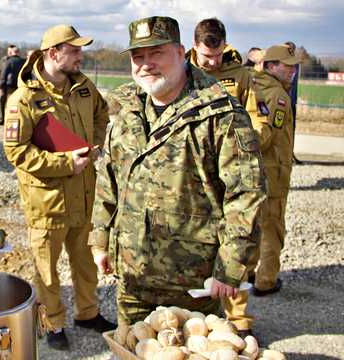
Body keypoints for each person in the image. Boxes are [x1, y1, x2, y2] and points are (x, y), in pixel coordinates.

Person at [89, 16, 266, 333]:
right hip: (131, 277)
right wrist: (101, 241)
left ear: (182, 52)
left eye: (156, 53)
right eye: (137, 56)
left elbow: (246, 195)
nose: (146, 65)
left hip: (191, 284)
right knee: (133, 348)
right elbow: (109, 180)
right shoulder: (128, 109)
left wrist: (231, 266)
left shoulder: (221, 113)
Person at [3, 24, 114, 351]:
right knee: (47, 272)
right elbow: (16, 151)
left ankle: (88, 313)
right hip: (47, 201)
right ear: (54, 53)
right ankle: (53, 324)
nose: (81, 56)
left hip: (83, 195)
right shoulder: (24, 98)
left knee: (85, 263)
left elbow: (101, 114)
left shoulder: (83, 87)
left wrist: (92, 143)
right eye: (75, 50)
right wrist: (66, 164)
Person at [187, 17, 259, 335]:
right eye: (206, 58)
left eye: (217, 56)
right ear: (194, 47)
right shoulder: (181, 73)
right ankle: (196, 314)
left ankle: (238, 319)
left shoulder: (241, 76)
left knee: (235, 244)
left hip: (231, 174)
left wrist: (242, 151)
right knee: (193, 245)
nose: (213, 63)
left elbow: (258, 121)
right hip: (192, 177)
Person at [247, 44, 298, 297]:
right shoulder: (278, 96)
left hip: (254, 173)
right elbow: (267, 136)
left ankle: (246, 272)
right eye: (287, 66)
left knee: (253, 224)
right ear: (270, 66)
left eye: (293, 65)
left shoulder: (252, 84)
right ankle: (266, 280)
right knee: (272, 227)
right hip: (273, 172)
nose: (293, 70)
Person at [0, 45, 25, 124]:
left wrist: (2, 85)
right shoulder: (23, 61)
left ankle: (6, 119)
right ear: (18, 52)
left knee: (9, 103)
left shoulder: (9, 61)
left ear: (12, 52)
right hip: (19, 85)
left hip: (9, 85)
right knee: (17, 104)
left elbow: (4, 74)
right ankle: (17, 119)